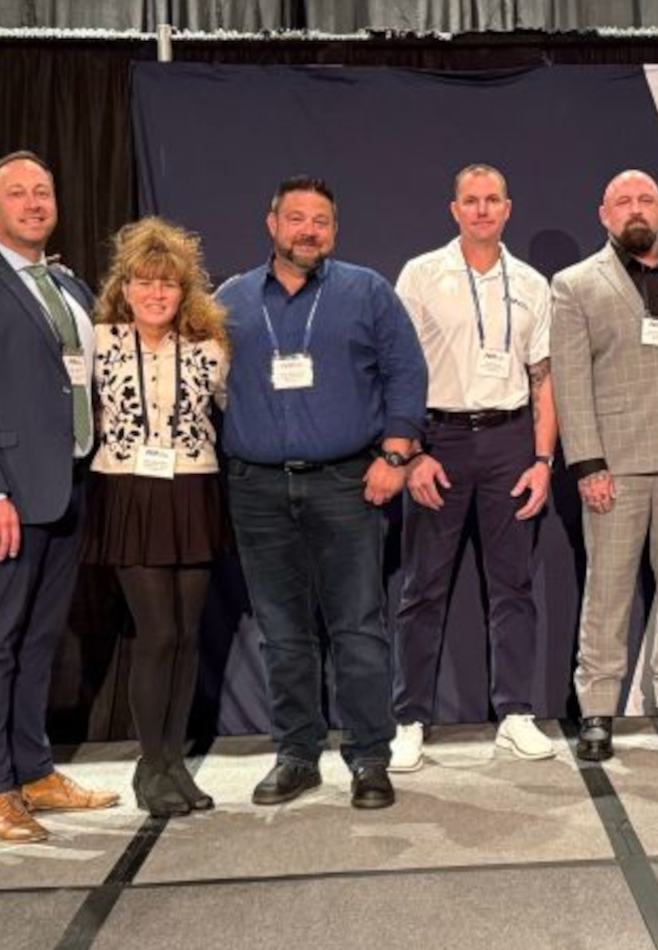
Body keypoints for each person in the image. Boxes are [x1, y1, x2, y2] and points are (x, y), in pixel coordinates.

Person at [215, 175, 428, 809]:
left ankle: (369, 758)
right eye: (297, 219)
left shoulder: (367, 291)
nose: (309, 231)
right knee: (282, 633)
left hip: (346, 482)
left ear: (334, 230)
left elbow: (407, 372)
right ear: (272, 224)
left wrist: (396, 455)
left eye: (321, 222)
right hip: (257, 488)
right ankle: (296, 754)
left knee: (358, 628)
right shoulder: (230, 300)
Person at [0, 151, 120, 843]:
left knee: (40, 639)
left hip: (67, 485)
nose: (34, 203)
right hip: (4, 498)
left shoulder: (69, 285)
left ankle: (33, 770)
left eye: (43, 191)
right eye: (17, 193)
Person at [388, 164, 557, 771]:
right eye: (471, 200)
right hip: (439, 440)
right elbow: (398, 369)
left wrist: (543, 459)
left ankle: (515, 714)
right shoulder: (421, 274)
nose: (482, 209)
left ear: (508, 209)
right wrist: (411, 454)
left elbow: (544, 379)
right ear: (454, 209)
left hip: (510, 439)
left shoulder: (532, 283)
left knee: (514, 585)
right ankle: (409, 719)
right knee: (422, 589)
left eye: (492, 200)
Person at [550, 169, 658, 762]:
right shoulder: (575, 284)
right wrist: (588, 464)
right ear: (604, 214)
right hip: (614, 464)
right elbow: (569, 379)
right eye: (623, 201)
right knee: (608, 593)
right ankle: (597, 707)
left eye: (645, 199)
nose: (635, 209)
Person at [82, 218, 229, 816]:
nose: (156, 293)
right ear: (125, 287)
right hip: (127, 490)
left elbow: (235, 409)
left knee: (189, 636)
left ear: (184, 291)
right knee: (158, 633)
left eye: (167, 283)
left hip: (193, 487)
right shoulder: (100, 341)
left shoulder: (209, 348)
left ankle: (173, 762)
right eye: (144, 281)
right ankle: (150, 764)